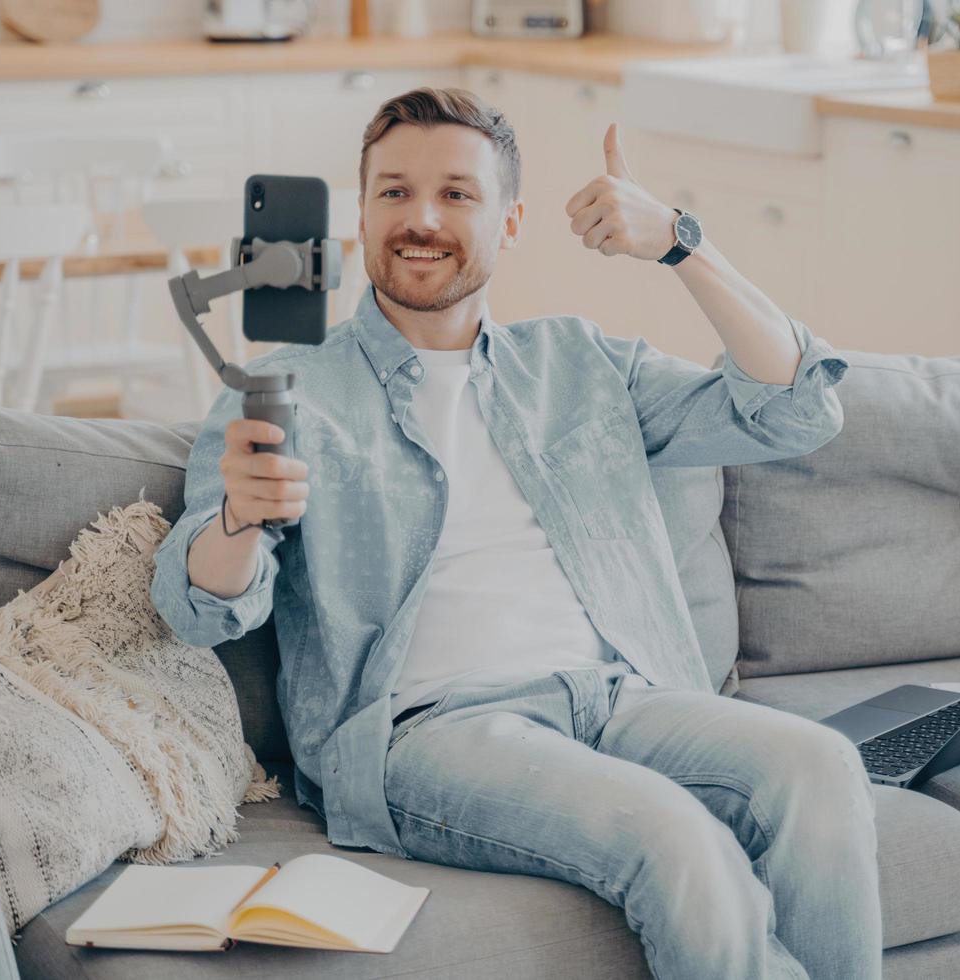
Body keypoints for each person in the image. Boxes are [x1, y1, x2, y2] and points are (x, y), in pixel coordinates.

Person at [151, 87, 881, 979]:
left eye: (457, 193)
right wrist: (236, 515)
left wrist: (681, 243)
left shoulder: (580, 362)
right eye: (393, 192)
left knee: (822, 768)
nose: (420, 219)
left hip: (622, 700)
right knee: (680, 841)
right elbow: (199, 609)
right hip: (432, 734)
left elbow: (797, 412)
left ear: (511, 220)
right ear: (362, 210)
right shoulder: (284, 387)